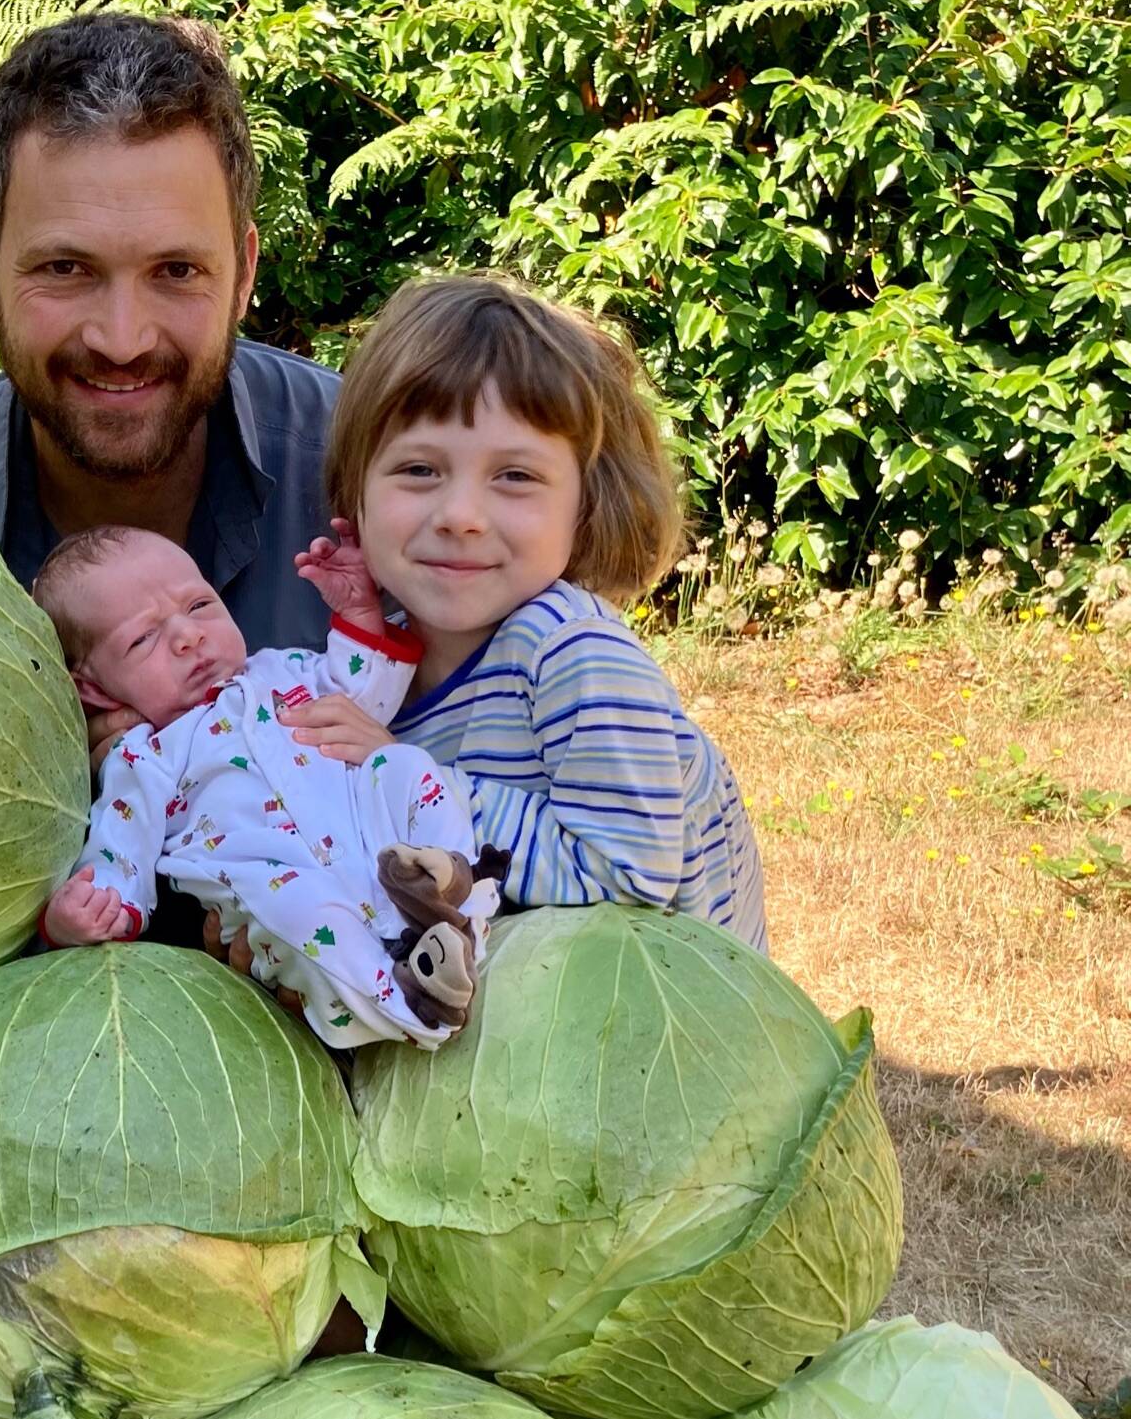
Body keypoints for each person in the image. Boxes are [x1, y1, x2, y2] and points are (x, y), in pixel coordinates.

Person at [283, 274, 769, 952]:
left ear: (588, 504)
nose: (460, 516)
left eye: (514, 476)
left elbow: (629, 887)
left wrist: (408, 776)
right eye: (419, 470)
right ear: (355, 488)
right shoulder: (387, 661)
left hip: (665, 1005)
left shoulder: (576, 654)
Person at [0, 12, 340, 685]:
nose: (122, 339)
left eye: (176, 270)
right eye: (65, 268)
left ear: (243, 274)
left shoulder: (372, 475)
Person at [33, 523, 504, 1047]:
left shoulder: (282, 669)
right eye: (143, 638)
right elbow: (120, 850)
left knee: (404, 766)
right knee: (292, 914)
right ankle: (417, 1008)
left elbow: (366, 696)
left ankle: (459, 903)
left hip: (380, 852)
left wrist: (359, 612)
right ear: (93, 690)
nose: (188, 636)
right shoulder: (143, 756)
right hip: (285, 886)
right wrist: (79, 915)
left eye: (199, 605)